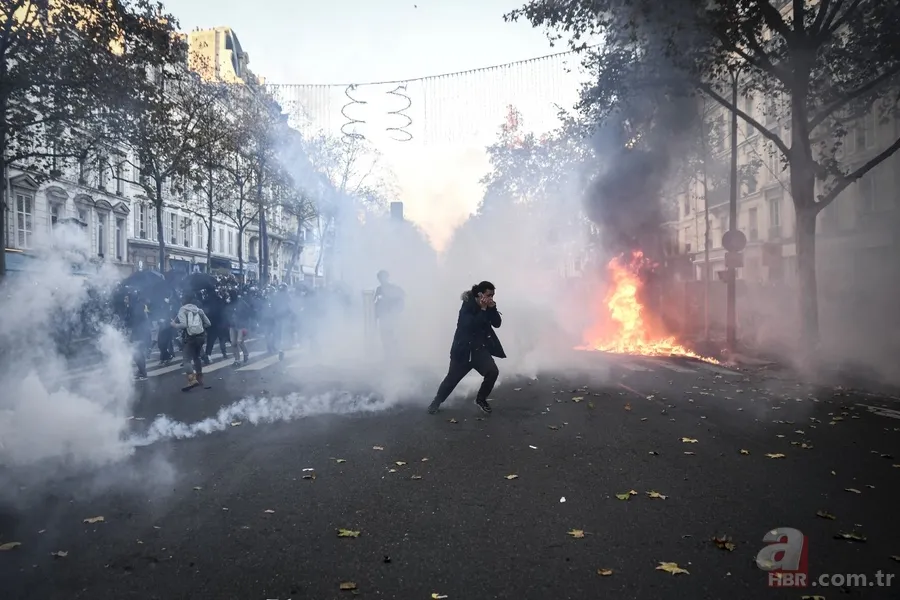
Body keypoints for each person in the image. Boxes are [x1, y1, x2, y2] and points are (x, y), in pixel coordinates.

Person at [428, 281, 505, 415]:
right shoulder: (467, 305)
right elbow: (470, 324)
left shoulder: (488, 306)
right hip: (462, 351)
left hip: (479, 350)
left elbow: (497, 324)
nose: (491, 298)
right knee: (451, 380)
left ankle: (481, 399)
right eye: (489, 295)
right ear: (480, 294)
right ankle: (436, 402)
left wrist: (492, 308)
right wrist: (482, 309)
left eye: (493, 295)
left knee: (492, 372)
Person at [172, 293, 212, 392]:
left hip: (189, 338)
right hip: (201, 337)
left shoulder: (182, 310)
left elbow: (184, 325)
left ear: (183, 301)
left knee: (186, 360)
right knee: (197, 357)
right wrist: (199, 328)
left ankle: (192, 380)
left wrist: (174, 325)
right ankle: (200, 379)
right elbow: (208, 323)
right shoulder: (199, 310)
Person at [373, 270, 405, 357]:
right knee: (384, 336)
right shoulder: (379, 290)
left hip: (391, 316)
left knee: (391, 335)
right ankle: (388, 355)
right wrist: (375, 314)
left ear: (386, 277)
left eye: (383, 277)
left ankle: (395, 355)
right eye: (380, 278)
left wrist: (395, 309)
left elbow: (401, 298)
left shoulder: (393, 288)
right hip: (383, 316)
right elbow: (375, 302)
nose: (381, 279)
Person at [124, 291, 150, 381]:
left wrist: (127, 323)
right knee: (138, 353)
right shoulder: (134, 306)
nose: (124, 300)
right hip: (138, 332)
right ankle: (141, 371)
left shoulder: (136, 307)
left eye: (126, 298)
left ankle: (143, 373)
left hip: (140, 332)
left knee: (137, 353)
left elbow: (134, 320)